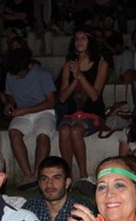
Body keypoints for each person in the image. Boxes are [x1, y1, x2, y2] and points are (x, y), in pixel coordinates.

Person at [57, 30, 110, 184]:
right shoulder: (69, 65)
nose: (79, 41)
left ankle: (84, 176)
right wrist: (75, 79)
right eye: (76, 39)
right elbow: (62, 98)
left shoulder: (101, 64)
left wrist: (80, 75)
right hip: (72, 114)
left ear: (90, 41)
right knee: (63, 130)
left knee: (75, 131)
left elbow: (94, 96)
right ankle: (67, 176)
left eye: (83, 38)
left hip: (93, 113)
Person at [4, 47, 57, 189]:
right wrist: (9, 104)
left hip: (44, 111)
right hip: (22, 112)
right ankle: (28, 175)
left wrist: (24, 110)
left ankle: (38, 174)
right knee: (14, 132)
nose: (17, 77)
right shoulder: (10, 74)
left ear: (29, 66)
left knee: (43, 136)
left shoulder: (43, 75)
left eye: (20, 74)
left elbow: (51, 102)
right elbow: (10, 95)